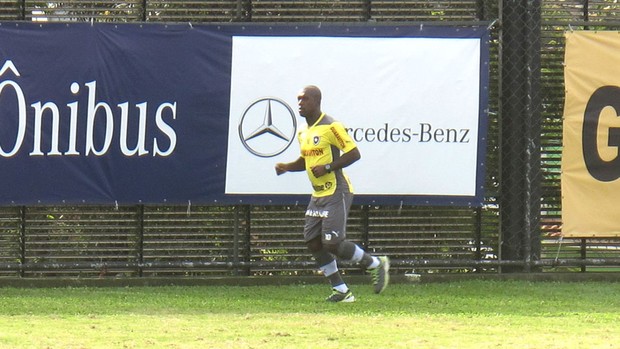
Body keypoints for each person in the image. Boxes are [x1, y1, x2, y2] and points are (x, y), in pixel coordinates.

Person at [275, 85, 389, 302]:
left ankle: (375, 264)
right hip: (317, 195)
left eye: (304, 99)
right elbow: (306, 160)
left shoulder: (331, 126)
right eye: (298, 99)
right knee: (313, 243)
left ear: (316, 101)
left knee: (332, 244)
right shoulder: (303, 131)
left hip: (337, 192)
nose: (300, 103)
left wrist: (328, 167)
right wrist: (287, 167)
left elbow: (354, 153)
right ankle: (342, 291)